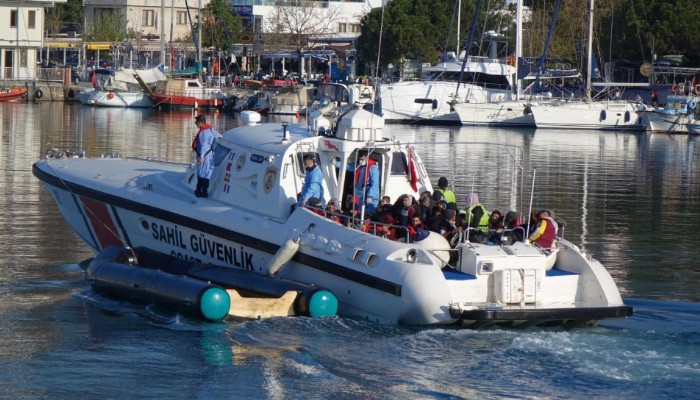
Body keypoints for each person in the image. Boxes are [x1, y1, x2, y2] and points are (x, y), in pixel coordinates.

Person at [191, 115, 219, 198]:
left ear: (200, 123)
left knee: (201, 173)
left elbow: (203, 146)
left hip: (203, 156)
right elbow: (219, 136)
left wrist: (202, 156)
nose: (195, 124)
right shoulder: (210, 129)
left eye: (196, 122)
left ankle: (200, 191)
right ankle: (204, 191)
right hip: (209, 155)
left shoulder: (203, 133)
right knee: (206, 174)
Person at [346, 150, 380, 215]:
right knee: (358, 210)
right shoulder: (359, 166)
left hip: (369, 193)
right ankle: (358, 220)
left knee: (368, 211)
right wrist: (337, 163)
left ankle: (367, 221)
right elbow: (349, 167)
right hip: (360, 193)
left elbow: (375, 184)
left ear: (367, 158)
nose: (361, 161)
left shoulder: (373, 168)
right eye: (360, 159)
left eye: (363, 159)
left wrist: (370, 196)